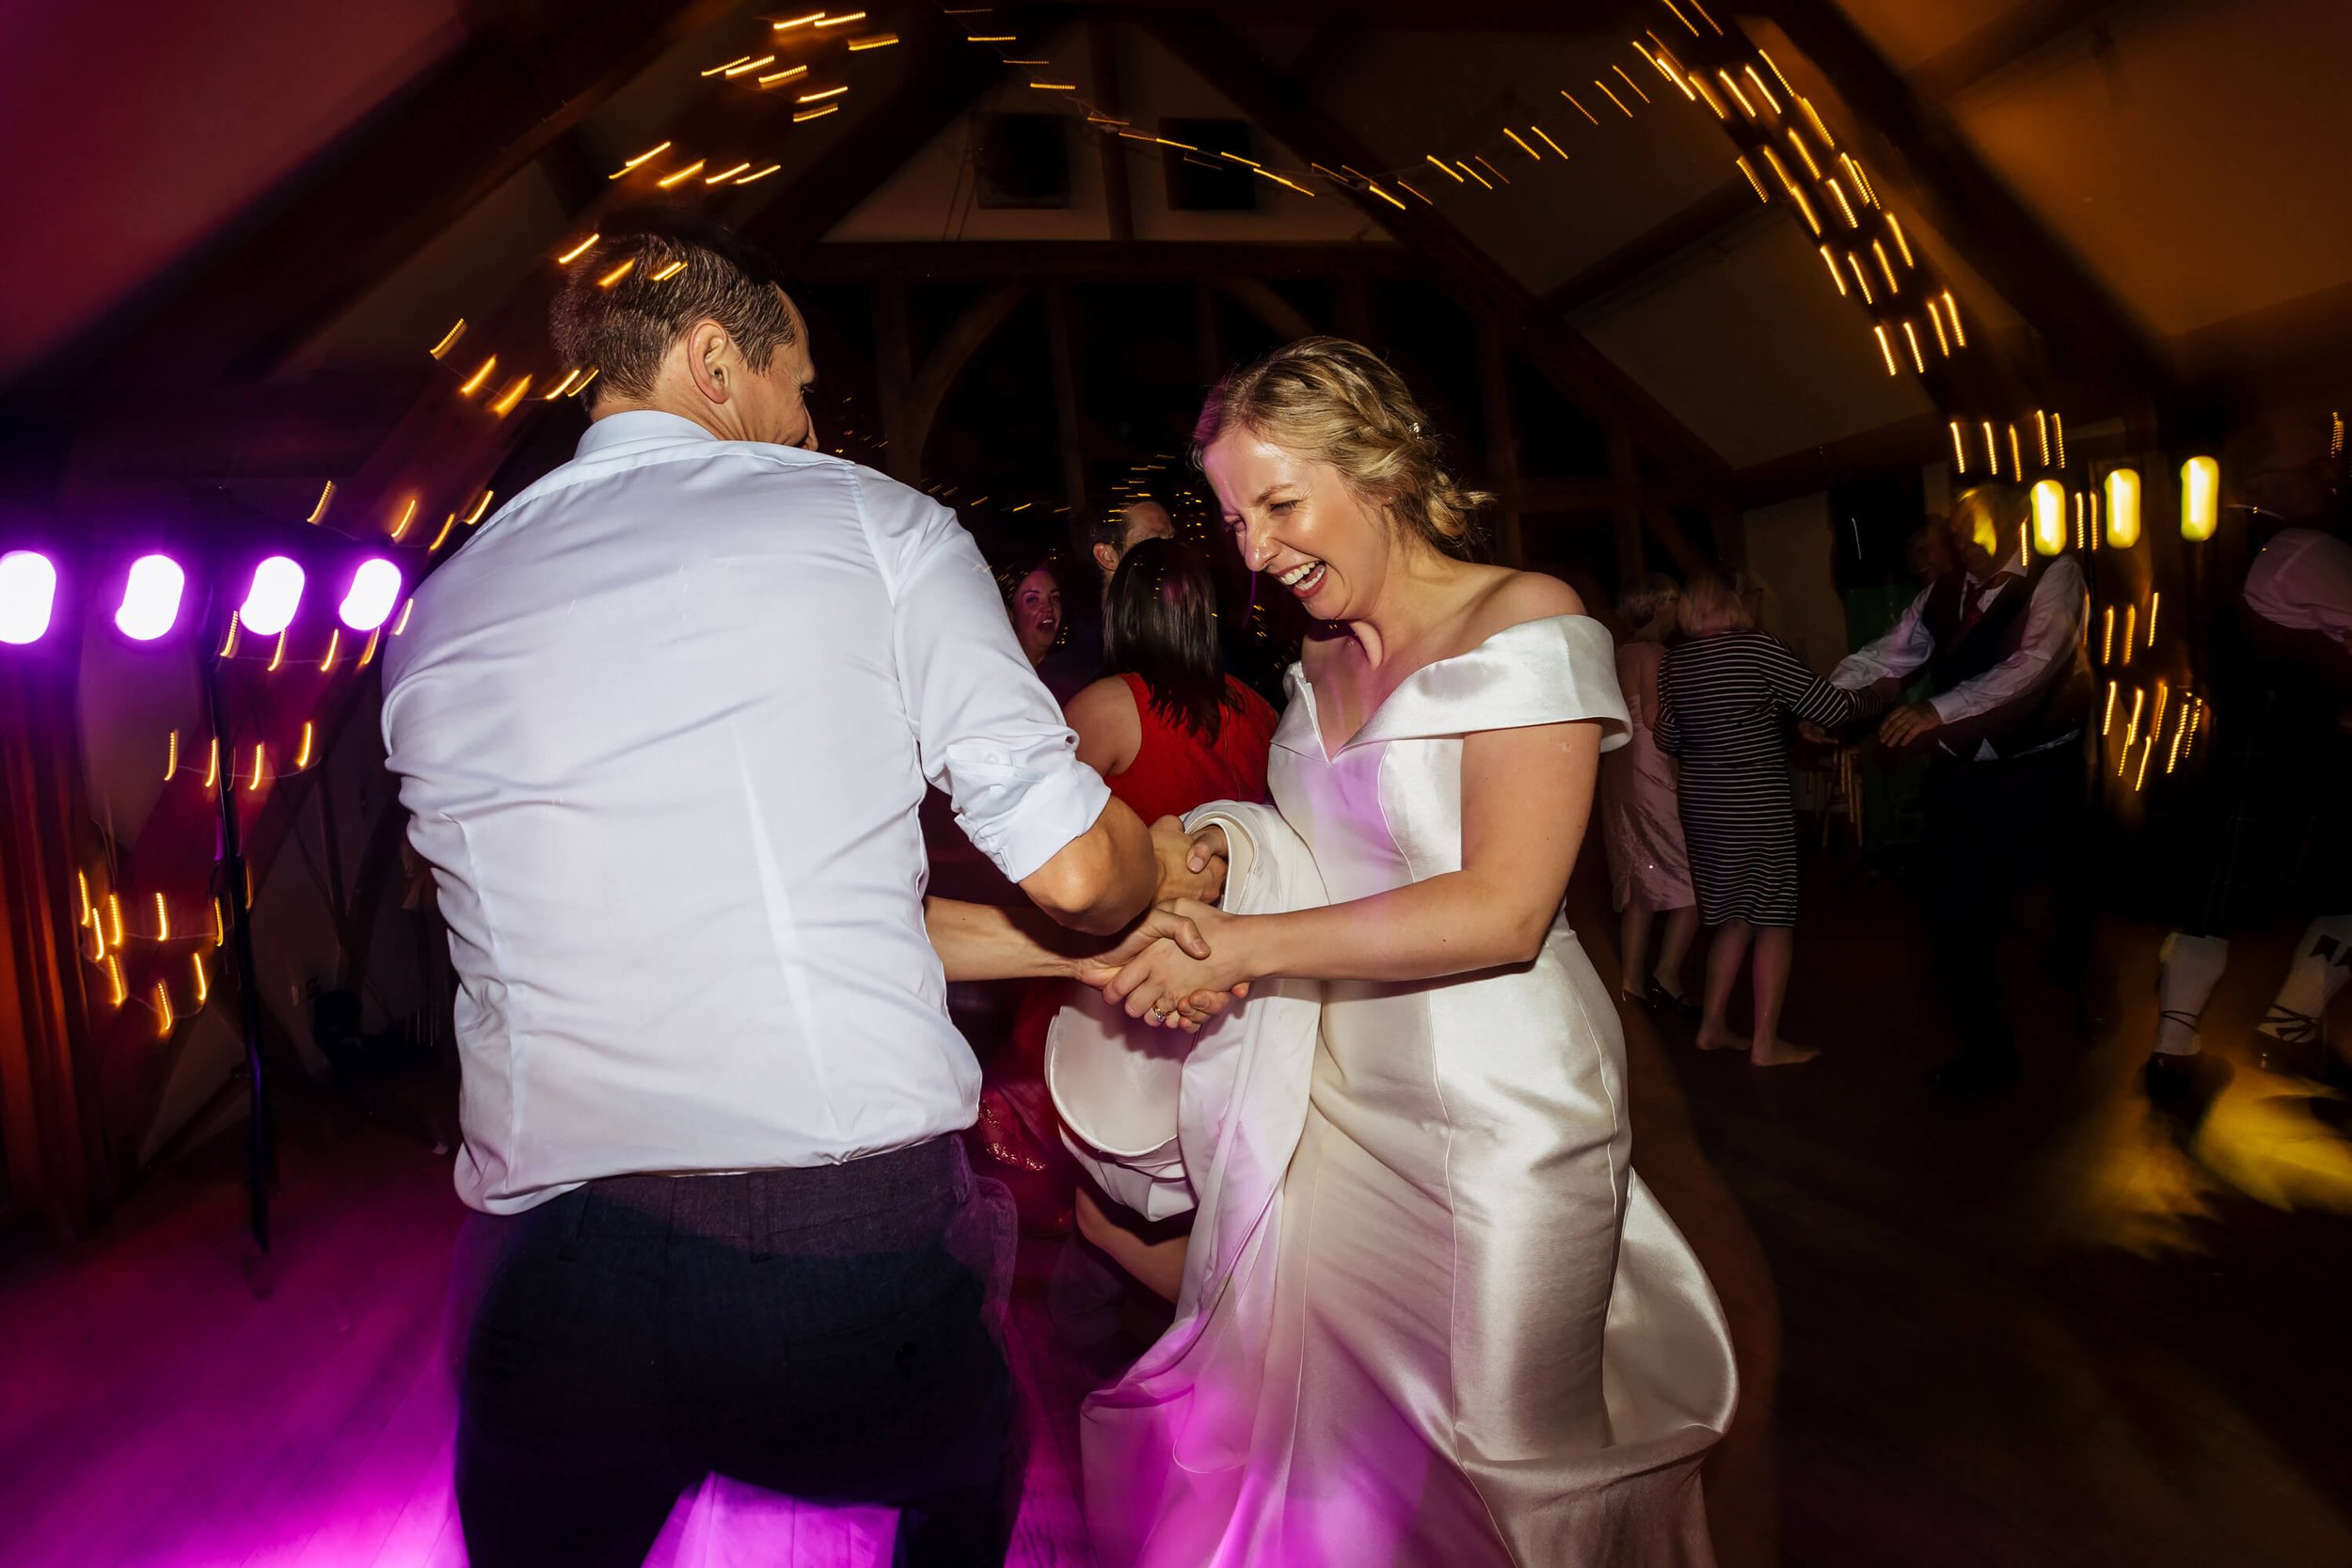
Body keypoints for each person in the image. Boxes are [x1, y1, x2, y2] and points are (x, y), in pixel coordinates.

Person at [380, 212, 1210, 1568]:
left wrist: (1053, 957)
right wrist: (1150, 869)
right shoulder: (874, 526)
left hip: (544, 1262)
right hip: (835, 1244)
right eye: (801, 382)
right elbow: (1073, 862)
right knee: (976, 1464)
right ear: (715, 361)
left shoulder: (437, 604)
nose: (813, 421)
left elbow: (773, 916)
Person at [1081, 337, 1736, 1566]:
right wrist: (1225, 862)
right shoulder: (1312, 659)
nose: (1258, 548)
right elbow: (1327, 847)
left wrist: (1244, 943)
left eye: (1280, 503)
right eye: (1235, 517)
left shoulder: (1524, 618)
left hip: (1506, 1114)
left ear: (1376, 464)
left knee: (1504, 1458)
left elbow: (1501, 906)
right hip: (1334, 1108)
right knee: (1352, 1448)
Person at [1048, 536, 1280, 1294]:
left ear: (1125, 615)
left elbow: (1053, 857)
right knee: (1211, 1188)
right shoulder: (1260, 714)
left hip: (1135, 990)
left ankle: (1223, 1338)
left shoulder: (1107, 708)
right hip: (1233, 988)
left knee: (1098, 1205)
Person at [1822, 483, 2091, 1093]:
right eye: (1959, 536)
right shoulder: (1940, 594)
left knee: (2060, 900)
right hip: (1966, 771)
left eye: (1980, 535)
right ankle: (1988, 1053)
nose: (1966, 547)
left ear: (2017, 525)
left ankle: (2078, 1006)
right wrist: (1827, 701)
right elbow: (1885, 657)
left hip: (2040, 772)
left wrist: (1938, 709)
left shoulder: (2058, 574)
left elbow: (2035, 662)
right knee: (1951, 912)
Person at [1655, 576, 1861, 1066]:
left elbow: (1668, 740)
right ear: (1732, 604)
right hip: (1755, 804)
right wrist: (1883, 694)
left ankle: (1712, 1027)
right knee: (1773, 917)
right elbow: (1830, 706)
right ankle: (1765, 1043)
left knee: (1732, 916)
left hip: (1704, 807)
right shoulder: (1756, 649)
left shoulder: (1675, 661)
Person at [1600, 573, 1700, 1011]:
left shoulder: (1616, 653)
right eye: (1677, 599)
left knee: (1639, 882)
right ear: (1660, 605)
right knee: (1695, 881)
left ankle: (1631, 982)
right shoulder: (1657, 655)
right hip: (1652, 768)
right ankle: (1667, 977)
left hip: (1619, 768)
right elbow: (1663, 723)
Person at [1042, 499, 1179, 693]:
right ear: (1107, 556)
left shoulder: (1196, 637)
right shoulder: (1074, 674)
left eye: (1171, 540)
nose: (1173, 554)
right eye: (1153, 542)